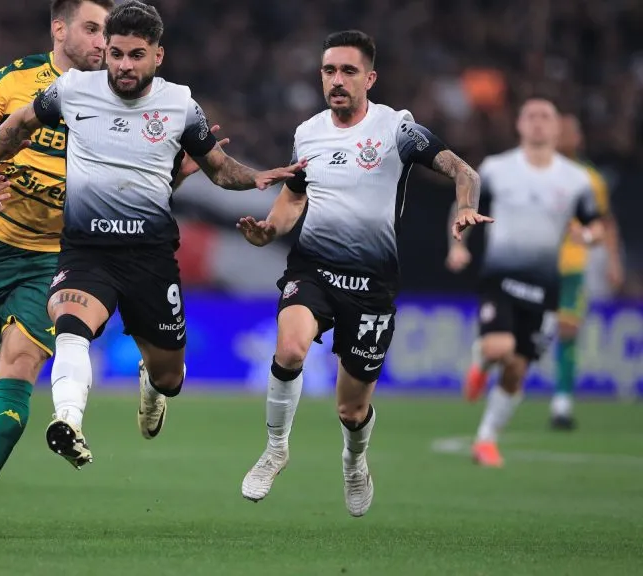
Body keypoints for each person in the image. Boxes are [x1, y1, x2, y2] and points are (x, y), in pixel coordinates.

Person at [0, 0, 300, 473]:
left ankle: (154, 385)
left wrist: (260, 177)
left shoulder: (180, 104)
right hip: (86, 252)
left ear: (157, 56)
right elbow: (17, 125)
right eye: (116, 53)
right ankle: (68, 420)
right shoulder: (74, 89)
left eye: (135, 55)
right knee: (70, 328)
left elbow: (220, 170)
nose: (123, 65)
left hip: (150, 259)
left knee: (170, 375)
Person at [0, 0, 226, 526]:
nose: (102, 43)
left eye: (108, 34)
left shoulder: (122, 94)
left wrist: (177, 174)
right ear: (59, 29)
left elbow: (138, 184)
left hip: (61, 252)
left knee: (22, 363)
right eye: (92, 30)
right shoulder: (17, 82)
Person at [234, 30, 490, 517]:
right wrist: (270, 229)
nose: (337, 80)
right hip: (313, 268)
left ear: (369, 78)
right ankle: (275, 449)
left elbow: (464, 172)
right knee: (289, 348)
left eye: (348, 71)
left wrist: (464, 208)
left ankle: (354, 461)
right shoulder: (308, 133)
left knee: (350, 410)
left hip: (371, 284)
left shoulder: (397, 129)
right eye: (329, 70)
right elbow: (294, 197)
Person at [446, 98, 604, 466]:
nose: (537, 123)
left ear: (556, 128)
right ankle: (482, 359)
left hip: (545, 285)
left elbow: (596, 222)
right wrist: (457, 245)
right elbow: (463, 204)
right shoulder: (498, 168)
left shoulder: (576, 179)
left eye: (545, 117)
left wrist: (590, 237)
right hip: (500, 277)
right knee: (500, 349)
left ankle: (485, 440)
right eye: (530, 116)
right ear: (519, 125)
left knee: (517, 370)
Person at [548, 113, 623, 430]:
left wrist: (614, 260)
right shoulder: (533, 171)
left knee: (567, 329)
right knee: (522, 336)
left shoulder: (590, 177)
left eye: (571, 130)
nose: (566, 135)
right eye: (561, 129)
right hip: (535, 263)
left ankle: (562, 402)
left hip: (575, 263)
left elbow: (605, 222)